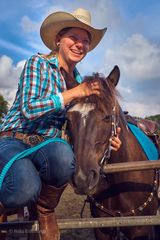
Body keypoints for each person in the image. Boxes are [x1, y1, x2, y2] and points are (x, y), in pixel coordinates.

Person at [0, 8, 121, 240]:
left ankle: (46, 210)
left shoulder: (77, 80)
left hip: (48, 146)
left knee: (66, 158)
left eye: (85, 41)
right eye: (74, 38)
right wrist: (73, 93)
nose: (80, 45)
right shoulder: (39, 64)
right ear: (58, 40)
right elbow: (28, 109)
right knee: (23, 189)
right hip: (15, 138)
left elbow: (83, 124)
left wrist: (106, 140)